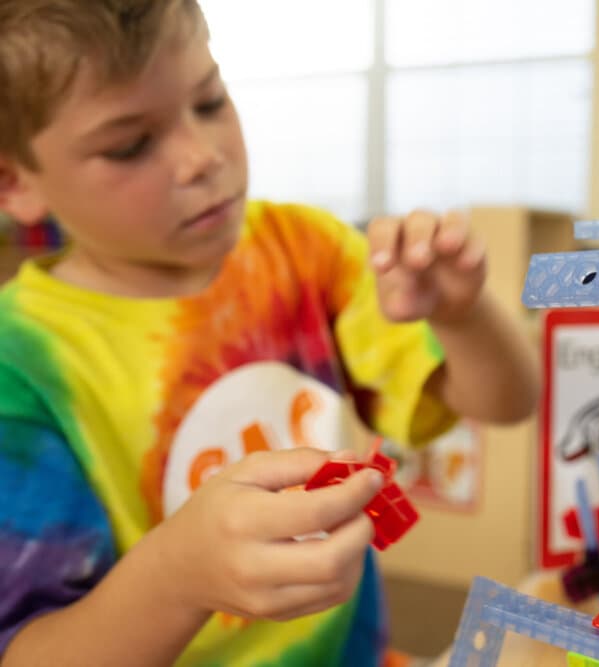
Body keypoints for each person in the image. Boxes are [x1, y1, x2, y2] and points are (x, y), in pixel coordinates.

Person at [0, 2, 540, 665]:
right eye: (130, 144)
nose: (201, 157)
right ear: (13, 180)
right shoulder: (22, 362)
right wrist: (177, 572)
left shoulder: (304, 248)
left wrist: (464, 314)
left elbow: (506, 401)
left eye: (210, 100)